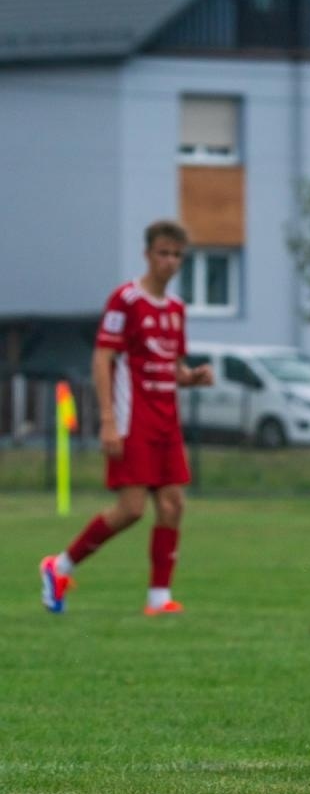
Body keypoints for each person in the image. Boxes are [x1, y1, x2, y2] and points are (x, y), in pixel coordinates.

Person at [38, 220, 215, 617]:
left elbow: (172, 367)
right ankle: (59, 566)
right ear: (147, 254)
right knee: (132, 508)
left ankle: (159, 599)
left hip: (167, 420)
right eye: (163, 253)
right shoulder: (126, 300)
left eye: (177, 255)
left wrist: (192, 378)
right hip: (133, 418)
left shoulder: (176, 310)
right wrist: (107, 420)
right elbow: (103, 358)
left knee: (173, 505)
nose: (170, 261)